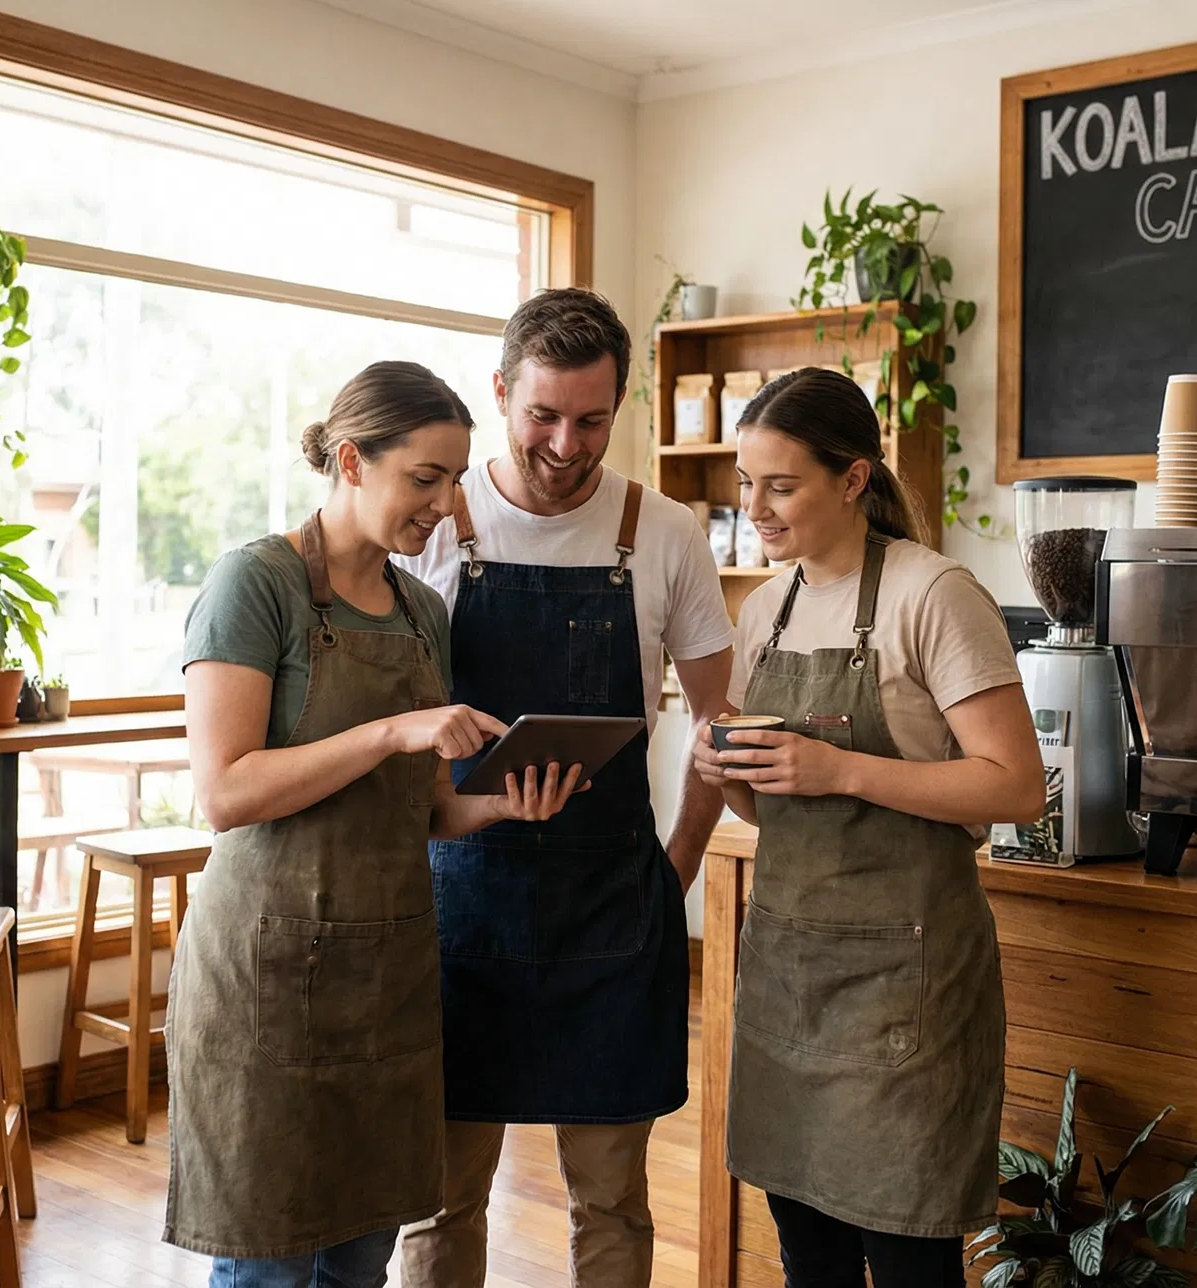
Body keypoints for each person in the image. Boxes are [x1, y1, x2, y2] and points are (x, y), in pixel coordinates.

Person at [166, 361, 587, 1288]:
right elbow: (227, 791)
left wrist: (506, 802)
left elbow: (425, 808)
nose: (443, 503)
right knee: (269, 1263)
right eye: (424, 478)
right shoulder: (257, 584)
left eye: (454, 480)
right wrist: (394, 727)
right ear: (352, 461)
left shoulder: (422, 611)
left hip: (385, 979)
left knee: (360, 1260)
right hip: (267, 979)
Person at [399, 289, 735, 1288]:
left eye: (591, 419)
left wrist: (672, 866)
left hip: (609, 913)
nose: (564, 443)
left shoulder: (664, 531)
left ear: (621, 404)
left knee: (613, 1203)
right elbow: (394, 719)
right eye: (542, 414)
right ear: (500, 392)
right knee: (442, 1200)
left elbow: (719, 730)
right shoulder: (438, 524)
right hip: (461, 905)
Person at [691, 367, 1045, 1288]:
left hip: (905, 992)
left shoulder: (935, 594)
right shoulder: (764, 609)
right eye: (745, 484)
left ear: (852, 481)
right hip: (789, 981)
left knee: (908, 1258)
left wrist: (840, 767)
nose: (756, 510)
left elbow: (1015, 787)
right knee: (807, 1259)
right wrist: (729, 772)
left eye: (781, 485)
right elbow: (774, 809)